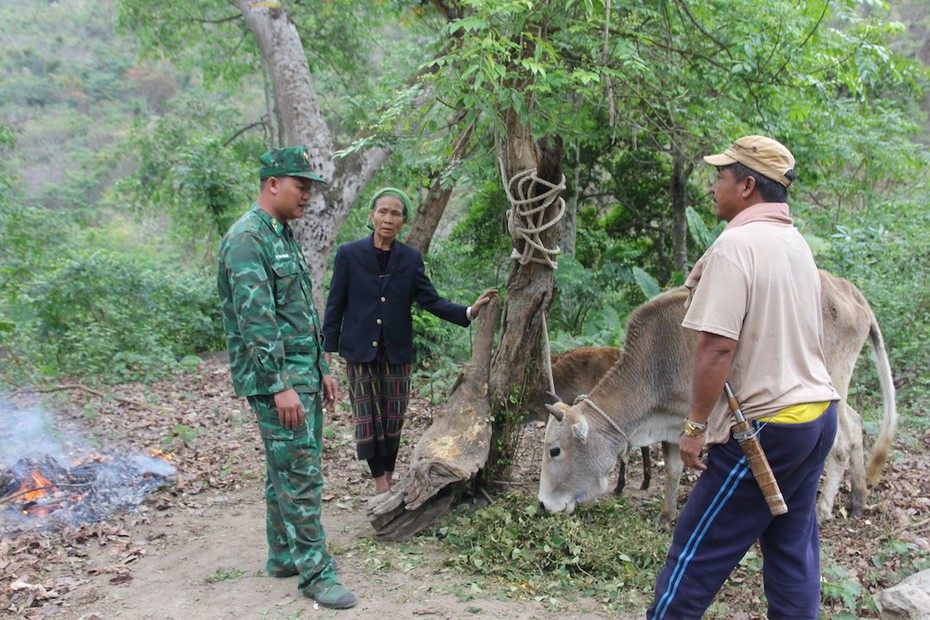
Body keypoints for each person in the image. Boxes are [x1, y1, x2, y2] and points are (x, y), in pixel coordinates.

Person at [648, 136, 840, 620]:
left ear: (748, 185)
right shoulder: (794, 243)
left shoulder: (737, 246)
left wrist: (693, 428)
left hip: (765, 429)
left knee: (694, 556)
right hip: (816, 418)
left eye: (720, 176)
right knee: (791, 550)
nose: (713, 187)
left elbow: (717, 347)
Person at [217, 146, 357, 610]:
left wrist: (321, 368)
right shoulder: (247, 238)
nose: (308, 196)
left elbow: (297, 313)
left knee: (286, 472)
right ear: (272, 183)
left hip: (303, 375)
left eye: (311, 187)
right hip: (280, 381)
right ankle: (316, 574)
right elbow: (256, 321)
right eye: (301, 186)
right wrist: (279, 384)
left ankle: (283, 555)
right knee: (301, 476)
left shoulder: (281, 234)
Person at [322, 187, 496, 496]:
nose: (388, 219)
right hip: (359, 351)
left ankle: (388, 476)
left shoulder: (410, 258)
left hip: (397, 352)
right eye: (383, 212)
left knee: (392, 420)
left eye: (396, 214)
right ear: (372, 216)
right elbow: (335, 303)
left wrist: (469, 311)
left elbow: (431, 301)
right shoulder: (349, 254)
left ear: (404, 221)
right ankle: (380, 485)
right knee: (367, 420)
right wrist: (327, 350)